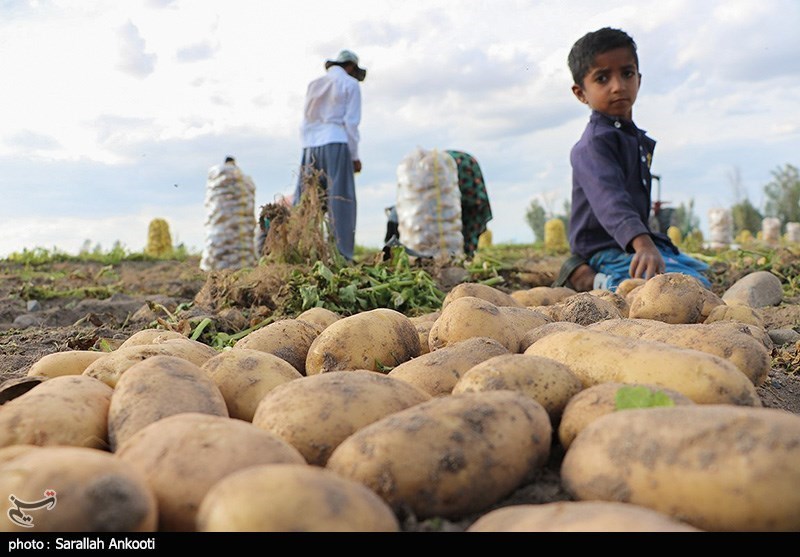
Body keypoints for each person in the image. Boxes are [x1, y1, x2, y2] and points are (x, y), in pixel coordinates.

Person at [553, 27, 711, 292]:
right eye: (602, 79)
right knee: (687, 287)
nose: (618, 86)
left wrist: (647, 242)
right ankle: (590, 278)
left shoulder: (629, 137)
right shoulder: (592, 145)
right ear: (581, 93)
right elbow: (610, 201)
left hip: (628, 243)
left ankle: (619, 268)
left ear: (639, 78)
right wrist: (642, 244)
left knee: (700, 271)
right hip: (602, 246)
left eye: (627, 74)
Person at [292, 49, 366, 262]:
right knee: (340, 200)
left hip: (310, 146)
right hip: (336, 141)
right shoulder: (350, 85)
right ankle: (341, 256)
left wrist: (307, 149)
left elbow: (305, 121)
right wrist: (354, 155)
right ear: (350, 67)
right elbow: (351, 123)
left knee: (308, 200)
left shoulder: (314, 84)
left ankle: (302, 252)